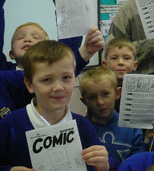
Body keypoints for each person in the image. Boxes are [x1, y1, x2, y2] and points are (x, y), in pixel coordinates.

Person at [0, 40, 113, 170]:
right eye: (47, 80)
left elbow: (97, 167)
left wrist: (104, 166)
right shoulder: (10, 125)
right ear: (30, 85)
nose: (58, 87)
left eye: (66, 77)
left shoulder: (83, 126)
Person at [0, 0, 101, 71]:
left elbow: (70, 40)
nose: (27, 39)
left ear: (48, 50)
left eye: (36, 37)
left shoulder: (57, 70)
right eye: (20, 37)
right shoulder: (4, 74)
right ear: (11, 54)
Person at [79, 66, 144, 170]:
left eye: (105, 94)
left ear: (117, 93)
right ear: (84, 101)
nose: (100, 102)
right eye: (92, 97)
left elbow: (138, 165)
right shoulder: (80, 129)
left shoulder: (133, 129)